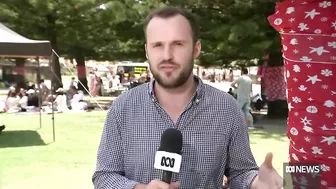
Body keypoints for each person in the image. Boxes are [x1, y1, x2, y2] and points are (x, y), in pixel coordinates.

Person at [92, 6, 283, 189]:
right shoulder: (122, 108)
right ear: (147, 51)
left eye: (178, 44)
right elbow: (105, 176)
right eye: (158, 45)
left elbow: (241, 173)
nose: (167, 55)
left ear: (196, 49)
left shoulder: (226, 108)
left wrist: (257, 182)